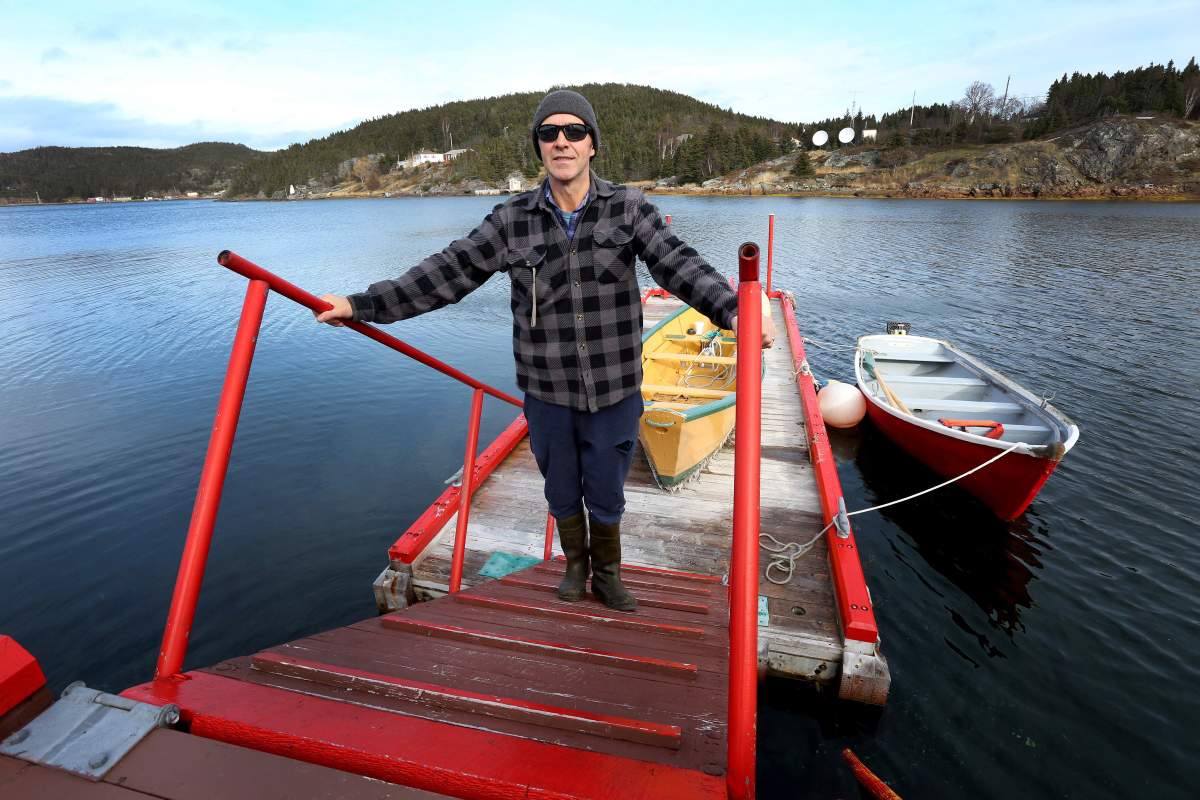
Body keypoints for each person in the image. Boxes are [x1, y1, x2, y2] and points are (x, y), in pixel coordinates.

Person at [316, 89, 775, 612]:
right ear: (539, 147)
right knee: (560, 489)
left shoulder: (628, 208)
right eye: (549, 133)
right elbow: (447, 272)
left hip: (613, 388)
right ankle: (574, 566)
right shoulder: (511, 219)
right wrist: (360, 303)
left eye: (574, 132)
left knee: (606, 488)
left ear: (592, 145)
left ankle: (607, 574)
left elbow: (679, 263)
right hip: (547, 389)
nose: (562, 141)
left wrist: (734, 307)